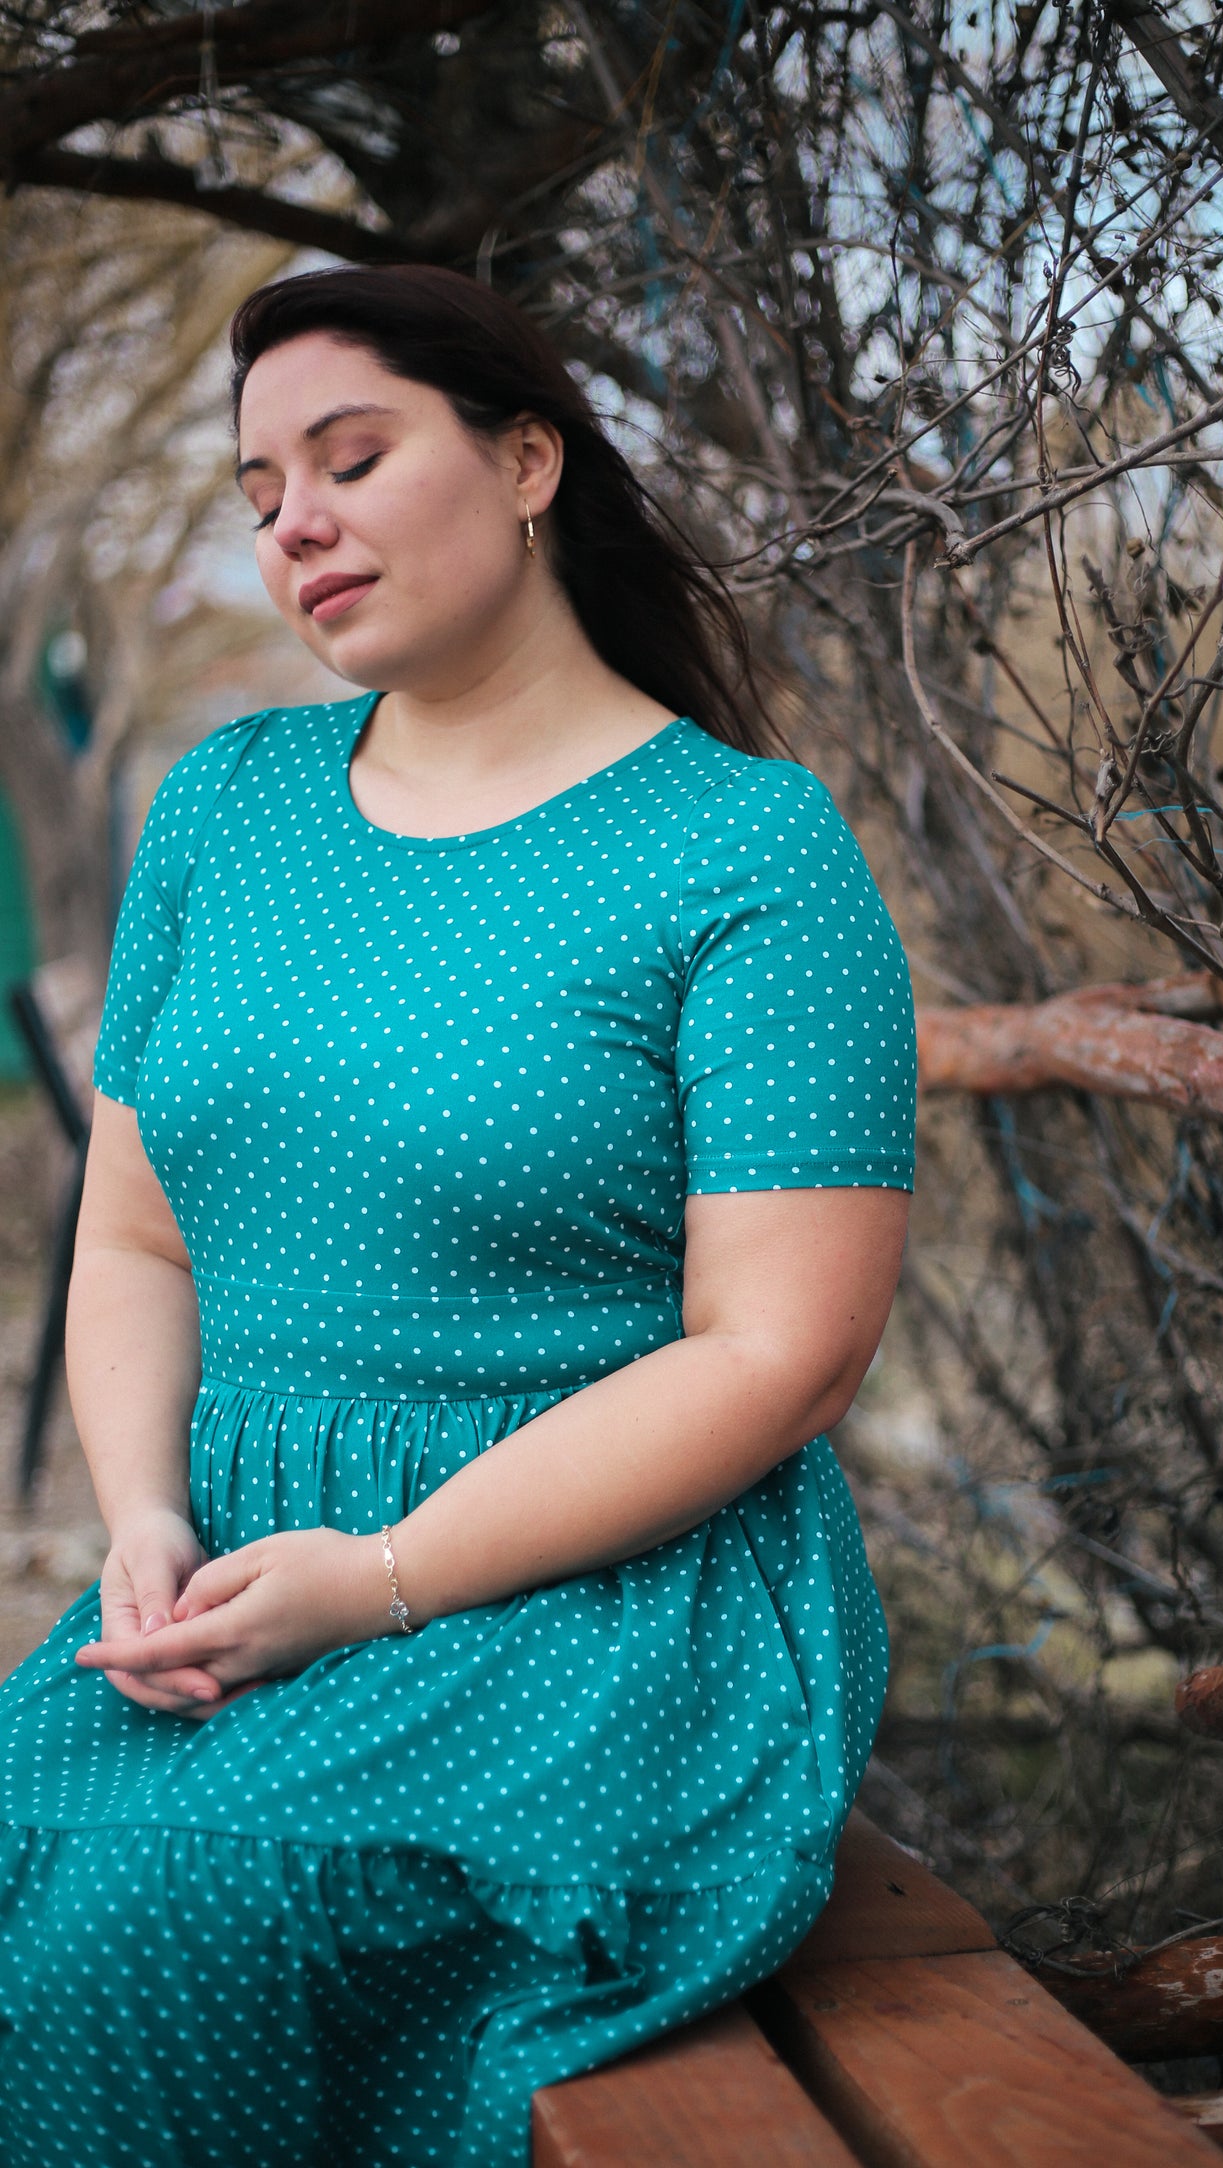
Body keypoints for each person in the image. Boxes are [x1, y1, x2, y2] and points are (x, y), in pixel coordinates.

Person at [0, 264, 915, 2167]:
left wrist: (384, 1578)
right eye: (260, 492)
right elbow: (137, 1241)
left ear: (523, 462)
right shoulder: (222, 807)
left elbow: (783, 1353)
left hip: (592, 1594)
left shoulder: (746, 851)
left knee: (163, 1922)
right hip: (237, 1564)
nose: (294, 525)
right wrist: (146, 1518)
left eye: (348, 460)